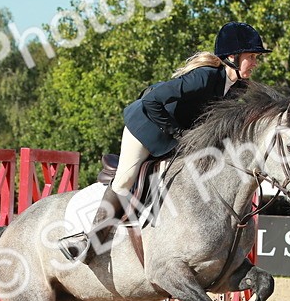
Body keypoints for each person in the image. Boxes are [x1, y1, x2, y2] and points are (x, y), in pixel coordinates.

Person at [59, 22, 272, 262]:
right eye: (251, 56)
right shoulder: (204, 76)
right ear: (232, 57)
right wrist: (178, 134)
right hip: (146, 126)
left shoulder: (237, 88)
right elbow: (152, 102)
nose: (255, 62)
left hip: (177, 136)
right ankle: (90, 240)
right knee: (125, 180)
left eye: (255, 57)